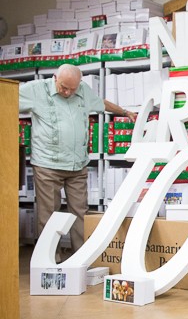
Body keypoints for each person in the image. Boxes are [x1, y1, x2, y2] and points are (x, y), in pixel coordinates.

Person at [19, 63, 137, 254]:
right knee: (48, 216)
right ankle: (49, 260)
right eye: (64, 87)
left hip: (77, 165)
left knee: (80, 214)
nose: (67, 93)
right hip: (47, 164)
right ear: (55, 78)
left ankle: (80, 259)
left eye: (72, 89)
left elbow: (101, 103)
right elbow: (7, 99)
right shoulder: (36, 90)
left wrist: (124, 112)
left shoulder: (82, 90)